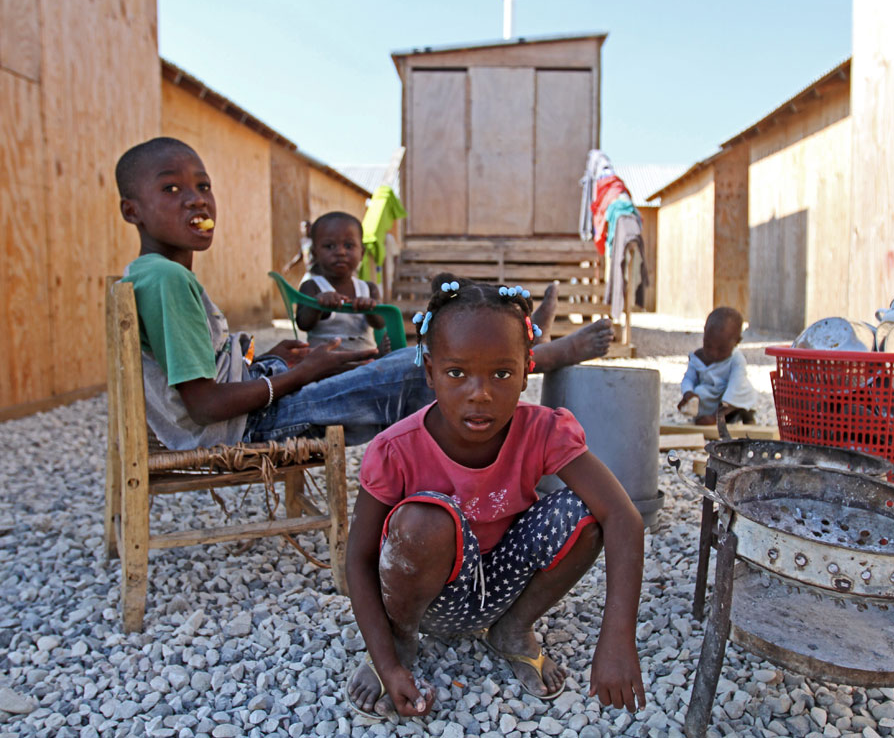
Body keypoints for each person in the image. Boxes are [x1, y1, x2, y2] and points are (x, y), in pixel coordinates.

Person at [114, 137, 616, 451]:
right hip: (243, 427)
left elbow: (202, 377)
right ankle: (536, 353)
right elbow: (203, 407)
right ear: (131, 210)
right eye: (172, 189)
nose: (197, 198)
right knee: (408, 368)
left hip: (248, 401)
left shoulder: (155, 274)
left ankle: (513, 336)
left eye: (202, 185)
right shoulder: (166, 279)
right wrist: (300, 374)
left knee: (366, 360)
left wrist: (272, 361)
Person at [345, 274, 646, 720]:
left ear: (528, 369)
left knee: (587, 511)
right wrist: (385, 661)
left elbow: (624, 517)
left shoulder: (543, 431)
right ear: (430, 371)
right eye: (456, 373)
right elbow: (358, 558)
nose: (480, 393)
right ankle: (400, 643)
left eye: (502, 373)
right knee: (425, 521)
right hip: (429, 601)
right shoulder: (395, 450)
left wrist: (618, 637)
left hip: (504, 586)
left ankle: (512, 630)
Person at [296, 211, 388, 354]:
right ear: (314, 254)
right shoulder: (312, 286)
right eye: (330, 246)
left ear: (362, 253)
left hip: (365, 364)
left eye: (349, 245)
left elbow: (381, 323)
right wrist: (317, 305)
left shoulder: (369, 289)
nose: (340, 252)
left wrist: (370, 308)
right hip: (325, 367)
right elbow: (303, 324)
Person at [677, 306, 756, 425]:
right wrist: (688, 393)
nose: (713, 353)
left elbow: (735, 387)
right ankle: (705, 416)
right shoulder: (697, 357)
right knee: (700, 392)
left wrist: (716, 417)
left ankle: (744, 415)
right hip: (711, 397)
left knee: (744, 390)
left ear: (737, 342)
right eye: (708, 345)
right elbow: (688, 378)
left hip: (731, 399)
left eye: (721, 349)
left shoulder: (736, 359)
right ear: (704, 333)